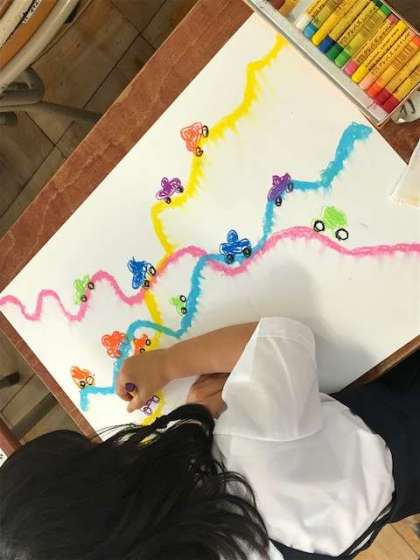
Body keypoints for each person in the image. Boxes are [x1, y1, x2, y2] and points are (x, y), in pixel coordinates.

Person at [0, 318, 419, 560]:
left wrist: (193, 420)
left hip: (390, 498)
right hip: (401, 421)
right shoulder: (246, 455)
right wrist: (167, 363)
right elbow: (279, 339)